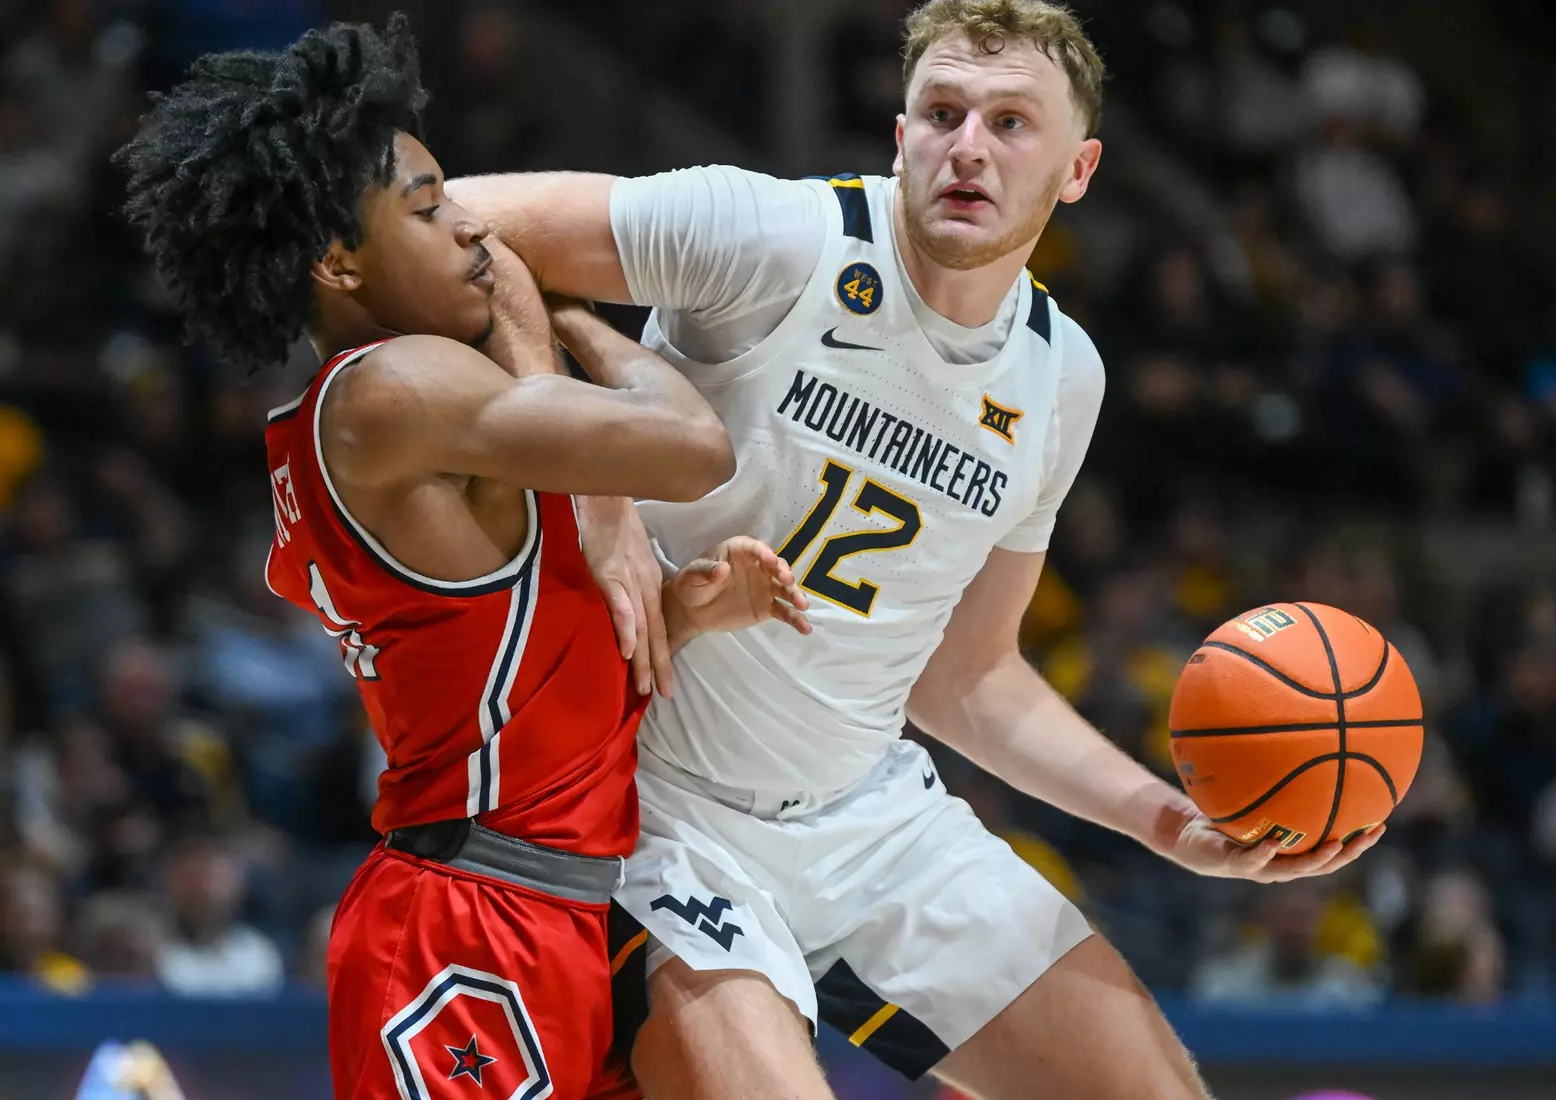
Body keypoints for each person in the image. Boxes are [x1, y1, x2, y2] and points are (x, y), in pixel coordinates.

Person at [456, 2, 1384, 1098]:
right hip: (658, 816)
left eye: (1009, 122)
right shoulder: (775, 238)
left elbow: (969, 673)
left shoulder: (1060, 376)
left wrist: (1164, 819)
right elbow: (455, 224)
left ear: (1078, 169)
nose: (969, 146)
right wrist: (592, 488)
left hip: (872, 818)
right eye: (942, 113)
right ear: (900, 137)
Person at [116, 16, 809, 1100]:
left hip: (550, 908)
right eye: (431, 210)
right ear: (337, 260)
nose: (474, 234)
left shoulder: (398, 422)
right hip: (462, 923)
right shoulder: (389, 393)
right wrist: (580, 318)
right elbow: (691, 446)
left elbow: (517, 691)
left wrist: (681, 616)